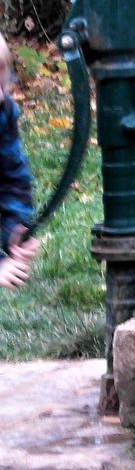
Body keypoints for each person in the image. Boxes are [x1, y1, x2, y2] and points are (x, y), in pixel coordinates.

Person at [0, 35, 38, 291]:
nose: (1, 97)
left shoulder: (3, 112)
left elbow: (12, 176)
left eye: (3, 85)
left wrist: (14, 227)